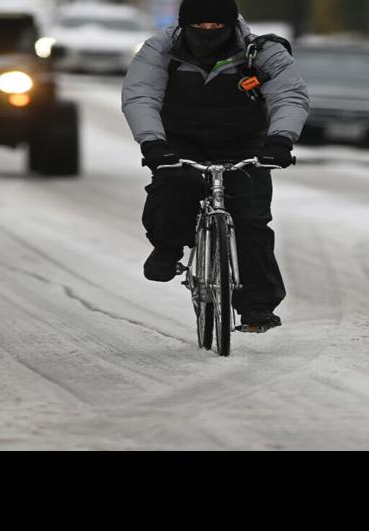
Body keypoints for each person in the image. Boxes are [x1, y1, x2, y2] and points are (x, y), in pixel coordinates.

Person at [121, 0, 309, 334]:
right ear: (183, 26)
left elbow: (289, 96)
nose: (208, 34)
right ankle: (166, 249)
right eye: (200, 27)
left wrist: (280, 140)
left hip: (244, 142)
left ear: (232, 24)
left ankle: (257, 308)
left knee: (251, 220)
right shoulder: (160, 50)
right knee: (172, 188)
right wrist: (152, 143)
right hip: (179, 141)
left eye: (216, 27)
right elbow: (141, 96)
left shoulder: (261, 51)